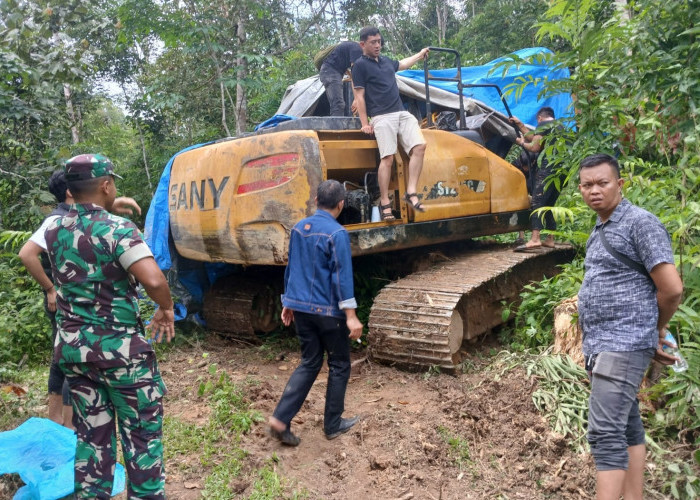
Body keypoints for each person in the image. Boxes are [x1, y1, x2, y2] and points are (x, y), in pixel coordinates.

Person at [44, 154, 175, 498]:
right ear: (105, 185)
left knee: (92, 438)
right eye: (111, 182)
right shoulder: (117, 228)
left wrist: (101, 204)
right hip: (121, 355)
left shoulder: (54, 229)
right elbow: (154, 279)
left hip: (74, 351)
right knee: (142, 437)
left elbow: (81, 218)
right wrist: (165, 308)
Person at [576, 153, 683, 500]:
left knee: (605, 433)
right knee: (625, 425)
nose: (594, 191)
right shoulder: (600, 229)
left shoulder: (640, 223)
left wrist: (656, 330)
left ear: (620, 185)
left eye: (602, 183)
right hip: (603, 344)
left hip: (624, 343)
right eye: (587, 185)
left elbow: (672, 288)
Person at [18, 171, 141, 429]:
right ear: (71, 191)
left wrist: (109, 204)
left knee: (63, 357)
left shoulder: (72, 216)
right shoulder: (58, 220)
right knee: (72, 359)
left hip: (73, 302)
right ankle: (67, 424)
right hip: (69, 302)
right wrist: (50, 288)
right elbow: (27, 254)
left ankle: (59, 422)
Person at [268, 180, 363, 446]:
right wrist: (351, 316)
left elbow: (292, 268)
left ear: (315, 200)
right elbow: (342, 277)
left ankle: (280, 418)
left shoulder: (299, 228)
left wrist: (288, 301)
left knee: (310, 362)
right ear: (341, 204)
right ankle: (333, 424)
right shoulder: (337, 233)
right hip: (328, 312)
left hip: (302, 310)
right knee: (339, 364)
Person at [352, 26, 430, 221]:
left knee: (420, 146)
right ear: (363, 44)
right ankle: (385, 202)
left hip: (400, 113)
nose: (378, 45)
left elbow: (402, 64)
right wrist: (365, 123)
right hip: (381, 116)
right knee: (387, 158)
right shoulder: (359, 66)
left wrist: (420, 55)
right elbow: (359, 96)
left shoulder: (386, 61)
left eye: (379, 41)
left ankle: (411, 192)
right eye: (373, 42)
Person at [510, 106, 562, 251]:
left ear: (539, 118)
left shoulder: (543, 124)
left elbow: (534, 147)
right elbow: (534, 138)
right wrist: (520, 125)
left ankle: (535, 239)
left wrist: (520, 142)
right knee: (549, 203)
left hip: (549, 167)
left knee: (537, 201)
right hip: (562, 168)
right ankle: (550, 239)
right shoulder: (558, 126)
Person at [319, 40, 363, 116]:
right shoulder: (357, 49)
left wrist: (351, 76)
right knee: (338, 104)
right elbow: (355, 75)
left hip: (332, 70)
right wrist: (356, 99)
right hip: (329, 72)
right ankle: (336, 127)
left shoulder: (352, 47)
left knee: (338, 104)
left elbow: (342, 63)